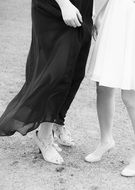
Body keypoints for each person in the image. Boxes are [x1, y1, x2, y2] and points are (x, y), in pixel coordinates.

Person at [0, 0, 94, 164]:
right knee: (58, 72)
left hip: (82, 6)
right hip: (53, 7)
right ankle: (44, 136)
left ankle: (58, 121)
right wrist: (64, 4)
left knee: (76, 72)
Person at [85, 0, 135, 177]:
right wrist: (100, 14)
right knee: (103, 86)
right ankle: (106, 140)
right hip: (114, 17)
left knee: (131, 95)